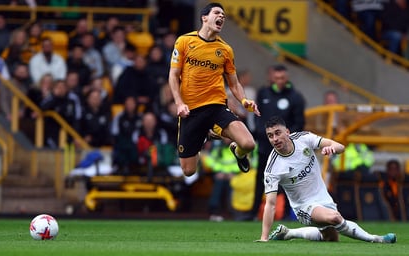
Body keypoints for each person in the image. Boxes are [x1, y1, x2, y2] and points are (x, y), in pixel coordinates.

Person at [257, 116, 396, 243]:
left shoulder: (304, 138)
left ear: (287, 132)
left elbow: (340, 147)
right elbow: (271, 204)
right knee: (335, 218)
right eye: (270, 136)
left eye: (277, 133)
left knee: (330, 238)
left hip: (324, 199)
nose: (274, 139)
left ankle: (288, 233)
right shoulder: (273, 167)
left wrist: (332, 149)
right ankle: (376, 239)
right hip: (304, 207)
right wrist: (264, 238)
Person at [168, 2, 260, 176]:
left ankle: (236, 151)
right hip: (191, 110)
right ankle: (207, 133)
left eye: (223, 16)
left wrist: (243, 100)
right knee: (188, 171)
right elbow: (173, 76)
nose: (221, 17)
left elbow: (233, 83)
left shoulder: (225, 50)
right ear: (204, 17)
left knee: (248, 144)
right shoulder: (185, 41)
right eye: (217, 13)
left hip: (216, 107)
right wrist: (179, 103)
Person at [252, 64, 305, 220]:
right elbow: (257, 116)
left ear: (286, 78)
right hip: (264, 146)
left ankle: (290, 214)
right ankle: (253, 213)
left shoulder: (295, 97)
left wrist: (284, 139)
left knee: (289, 180)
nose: (279, 81)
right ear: (271, 78)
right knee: (260, 180)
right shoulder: (263, 93)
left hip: (286, 149)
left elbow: (299, 123)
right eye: (276, 78)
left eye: (282, 78)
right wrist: (263, 133)